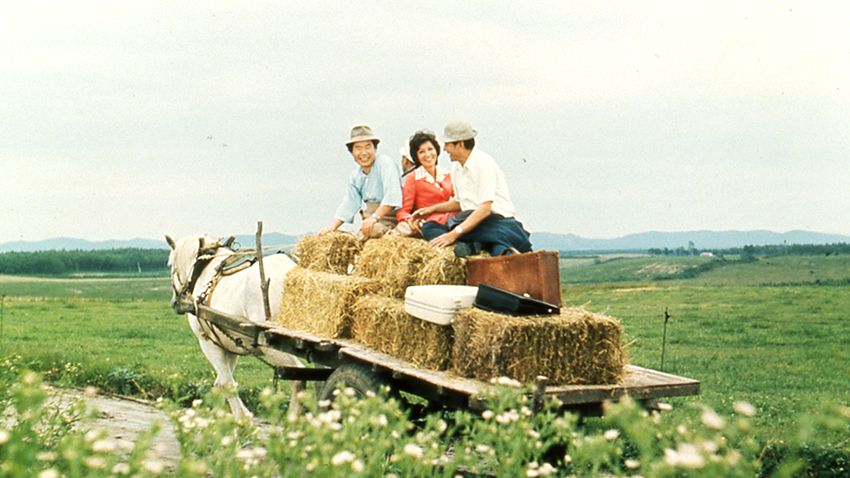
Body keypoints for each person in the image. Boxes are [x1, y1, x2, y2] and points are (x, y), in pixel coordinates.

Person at [412, 120, 532, 257]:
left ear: (460, 144)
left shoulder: (484, 164)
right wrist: (431, 210)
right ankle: (475, 244)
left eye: (447, 144)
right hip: (469, 221)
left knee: (500, 252)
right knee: (429, 227)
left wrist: (454, 234)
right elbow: (459, 202)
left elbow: (485, 209)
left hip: (495, 222)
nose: (444, 149)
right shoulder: (457, 168)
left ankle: (472, 244)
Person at [318, 125, 402, 240]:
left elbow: (392, 197)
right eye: (358, 148)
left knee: (372, 231)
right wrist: (332, 227)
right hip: (370, 221)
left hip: (391, 219)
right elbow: (350, 203)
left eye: (368, 147)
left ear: (375, 149)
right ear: (352, 152)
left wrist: (374, 217)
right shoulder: (355, 176)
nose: (363, 153)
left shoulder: (385, 163)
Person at [392, 129, 457, 239]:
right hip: (431, 224)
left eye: (430, 149)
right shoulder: (412, 178)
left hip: (453, 219)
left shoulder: (449, 174)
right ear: (416, 156)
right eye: (421, 152)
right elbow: (403, 211)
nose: (427, 155)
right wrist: (413, 221)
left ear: (436, 150)